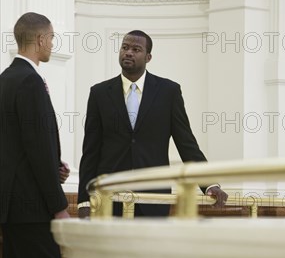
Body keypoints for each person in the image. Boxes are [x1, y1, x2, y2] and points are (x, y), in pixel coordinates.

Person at [78, 30, 227, 217]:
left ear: (148, 57)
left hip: (154, 197)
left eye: (136, 49)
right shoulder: (99, 93)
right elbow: (90, 151)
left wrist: (210, 184)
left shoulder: (169, 92)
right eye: (124, 47)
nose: (128, 52)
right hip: (109, 198)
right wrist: (84, 200)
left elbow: (186, 143)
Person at [0, 12, 70, 258]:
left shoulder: (4, 81)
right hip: (32, 208)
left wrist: (49, 165)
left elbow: (16, 146)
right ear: (41, 40)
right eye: (52, 38)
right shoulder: (30, 82)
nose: (52, 43)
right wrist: (59, 205)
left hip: (11, 207)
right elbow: (37, 144)